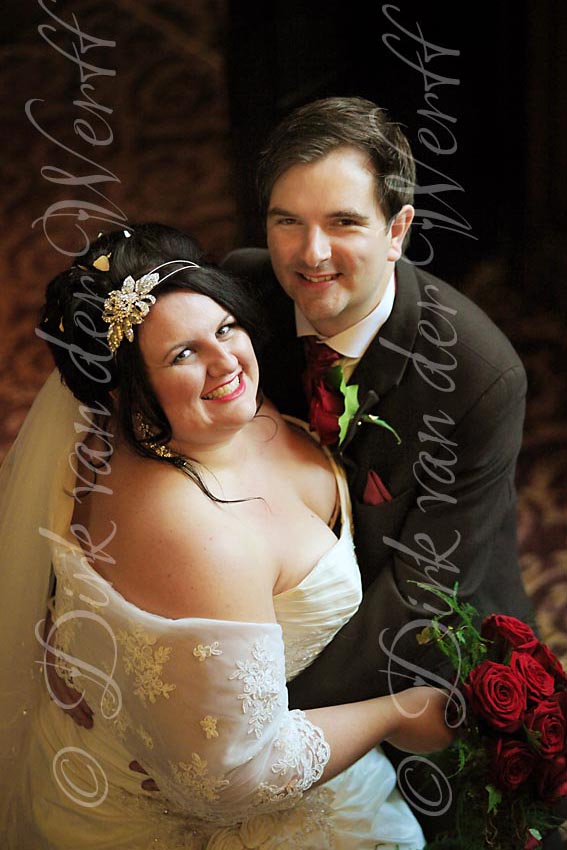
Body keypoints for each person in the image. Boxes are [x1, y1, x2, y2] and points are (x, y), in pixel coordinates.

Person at [0, 223, 453, 849]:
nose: (225, 363)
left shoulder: (174, 418)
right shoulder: (194, 533)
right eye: (181, 355)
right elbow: (233, 780)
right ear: (128, 389)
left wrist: (76, 639)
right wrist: (393, 716)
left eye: (224, 327)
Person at [223, 95, 536, 829]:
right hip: (275, 606)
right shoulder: (240, 300)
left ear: (397, 230)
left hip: (427, 648)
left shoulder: (476, 377)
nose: (311, 254)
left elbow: (421, 596)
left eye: (343, 223)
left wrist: (265, 722)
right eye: (287, 221)